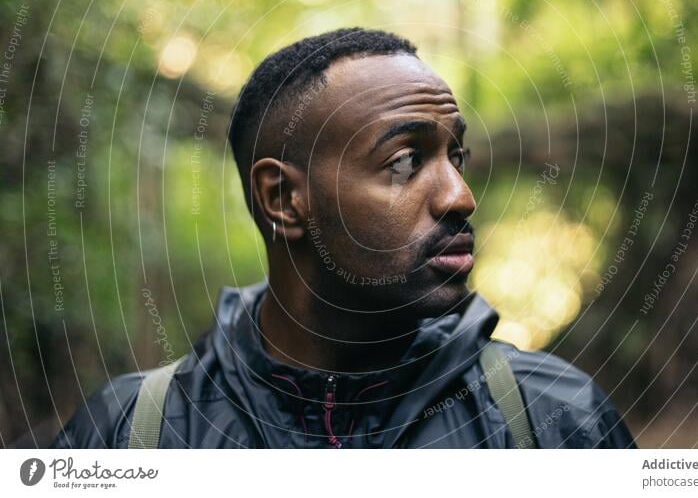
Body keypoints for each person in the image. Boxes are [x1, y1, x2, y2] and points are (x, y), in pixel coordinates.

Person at [51, 28, 636, 448]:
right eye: (406, 162)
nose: (460, 196)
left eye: (455, 155)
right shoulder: (127, 438)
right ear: (283, 200)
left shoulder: (555, 424)